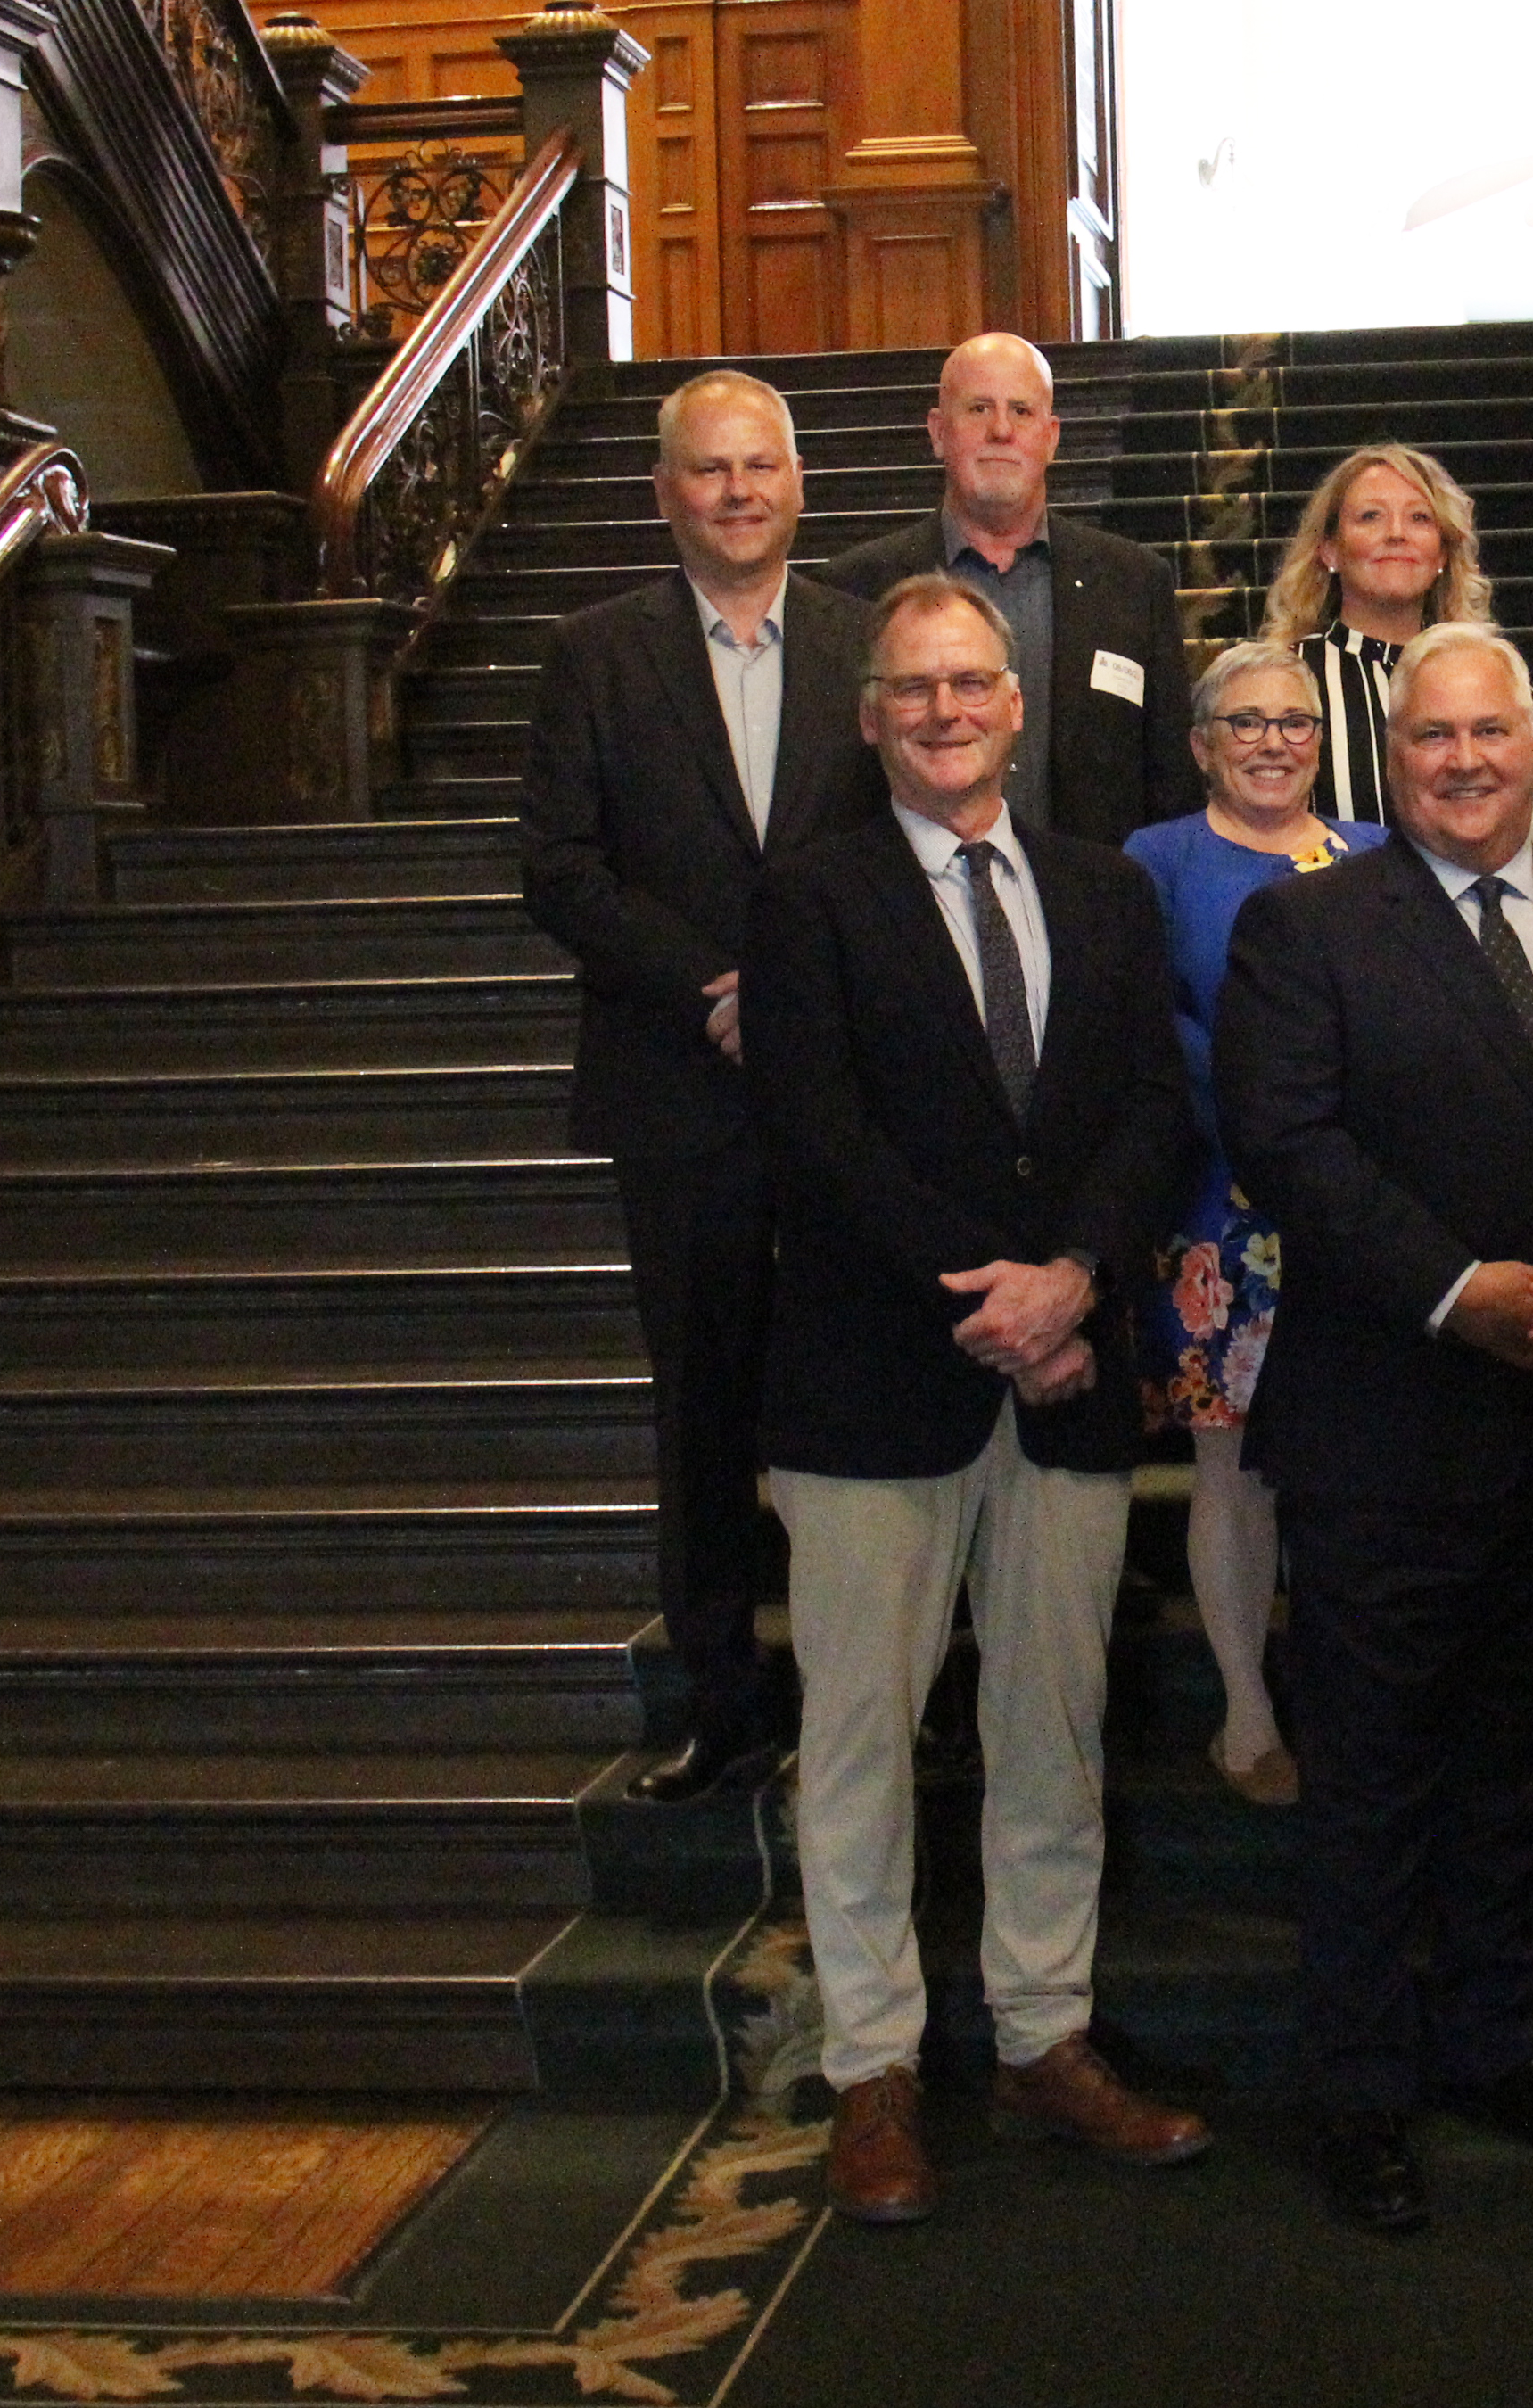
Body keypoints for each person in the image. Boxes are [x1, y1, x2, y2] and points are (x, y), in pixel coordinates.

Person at [1214, 623, 1533, 2234]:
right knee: (1372, 1782)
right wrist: (1459, 1292)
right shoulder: (1302, 928)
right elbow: (1286, 1143)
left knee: (1525, 1772)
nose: (1459, 760)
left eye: (1488, 734)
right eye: (1430, 736)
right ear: (1400, 755)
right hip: (1389, 1430)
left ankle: (1501, 2051)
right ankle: (1363, 2098)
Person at [741, 575, 1206, 2225]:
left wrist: (1075, 1280)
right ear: (870, 718)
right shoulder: (807, 899)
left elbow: (1155, 1104)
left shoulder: (1105, 890)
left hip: (1072, 1378)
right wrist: (998, 1309)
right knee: (859, 1737)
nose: (945, 712)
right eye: (912, 691)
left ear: (1018, 706)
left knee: (1051, 1732)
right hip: (877, 1388)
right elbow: (818, 1135)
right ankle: (872, 2064)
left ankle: (1044, 2034)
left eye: (971, 685)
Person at [520, 368, 882, 1805]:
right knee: (706, 1406)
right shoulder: (594, 653)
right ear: (666, 493)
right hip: (677, 1094)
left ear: (799, 485)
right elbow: (558, 867)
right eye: (710, 471)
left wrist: (804, 997)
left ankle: (878, 1698)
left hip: (852, 1092)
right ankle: (725, 1705)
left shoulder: (870, 641)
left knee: (860, 1401)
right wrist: (712, 986)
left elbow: (919, 834)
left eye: (761, 467)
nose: (739, 492)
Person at [1122, 641, 1379, 1807]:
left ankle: (1352, 1701)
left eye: (1295, 721)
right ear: (1201, 744)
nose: (1273, 739)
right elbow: (1149, 1024)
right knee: (1231, 1468)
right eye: (1246, 721)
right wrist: (1257, 1129)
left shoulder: (1376, 854)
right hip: (1218, 1205)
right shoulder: (1159, 859)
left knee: (1350, 1462)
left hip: (1352, 1206)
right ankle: (1247, 1709)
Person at [812, 332, 1194, 848]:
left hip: (1089, 907)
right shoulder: (858, 588)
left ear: (1052, 435)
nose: (1000, 430)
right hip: (912, 911)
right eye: (978, 409)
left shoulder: (1134, 583)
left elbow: (1171, 783)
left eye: (1021, 411)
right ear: (938, 432)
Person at [1261, 442, 1533, 826]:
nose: (1396, 534)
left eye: (1419, 518)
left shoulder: (1499, 681)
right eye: (1371, 516)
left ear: (1442, 554)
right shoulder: (1284, 681)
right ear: (1329, 551)